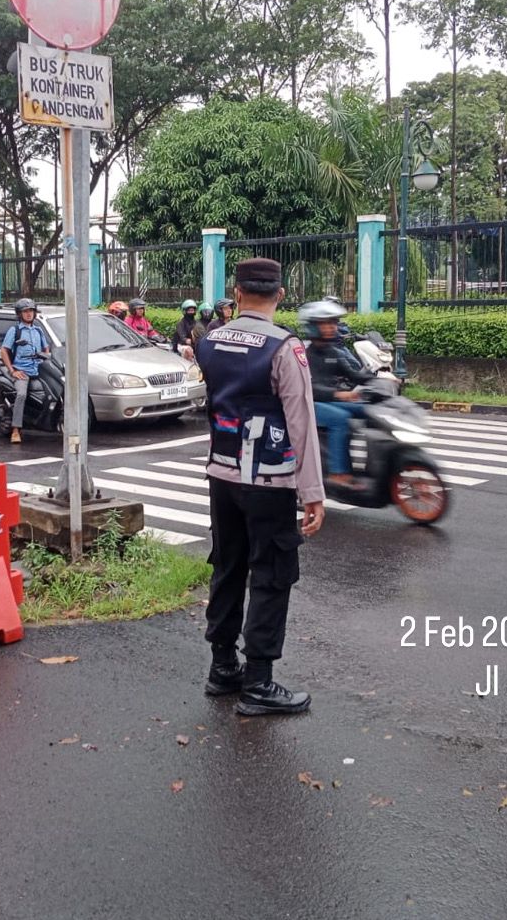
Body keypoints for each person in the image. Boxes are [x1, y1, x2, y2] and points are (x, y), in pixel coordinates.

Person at [195, 258, 325, 716]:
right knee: (271, 574)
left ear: (236, 292)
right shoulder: (284, 348)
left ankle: (222, 668)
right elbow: (301, 421)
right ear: (280, 294)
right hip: (269, 479)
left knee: (227, 566)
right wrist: (313, 493)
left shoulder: (209, 340)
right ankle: (258, 683)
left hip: (222, 474)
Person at [301, 300, 372, 488]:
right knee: (340, 418)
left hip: (328, 401)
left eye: (333, 322)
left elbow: (353, 374)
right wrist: (338, 394)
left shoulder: (332, 351)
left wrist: (381, 379)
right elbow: (310, 387)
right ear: (313, 326)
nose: (332, 327)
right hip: (309, 404)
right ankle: (337, 473)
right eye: (326, 323)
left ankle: (372, 468)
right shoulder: (305, 354)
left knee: (368, 410)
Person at [0, 297, 51, 445]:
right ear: (19, 314)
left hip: (39, 370)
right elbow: (4, 351)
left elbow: (46, 349)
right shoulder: (15, 330)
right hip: (22, 371)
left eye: (31, 311)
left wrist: (46, 359)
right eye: (25, 311)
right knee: (21, 395)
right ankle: (16, 430)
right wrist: (12, 371)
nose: (29, 314)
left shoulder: (38, 330)